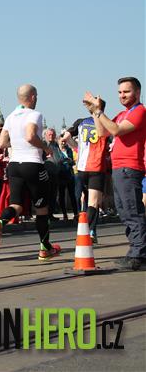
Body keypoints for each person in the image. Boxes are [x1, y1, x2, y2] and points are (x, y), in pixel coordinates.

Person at [0, 84, 61, 261]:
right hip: (32, 164)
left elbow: (1, 143)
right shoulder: (35, 114)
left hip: (14, 165)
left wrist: (17, 144)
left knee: (16, 205)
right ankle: (45, 248)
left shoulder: (11, 116)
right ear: (33, 97)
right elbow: (30, 136)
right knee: (42, 208)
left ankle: (0, 221)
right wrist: (46, 148)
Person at [84, 76, 145, 270]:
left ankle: (139, 255)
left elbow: (117, 130)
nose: (122, 95)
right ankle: (136, 251)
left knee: (132, 211)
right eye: (119, 92)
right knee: (125, 211)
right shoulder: (122, 114)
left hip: (130, 167)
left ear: (137, 92)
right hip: (119, 168)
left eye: (126, 91)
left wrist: (99, 111)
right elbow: (103, 132)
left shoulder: (140, 111)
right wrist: (94, 113)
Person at [63, 109, 110, 243]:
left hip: (81, 167)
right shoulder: (105, 123)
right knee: (94, 202)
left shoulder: (81, 122)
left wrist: (79, 148)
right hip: (96, 166)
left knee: (85, 198)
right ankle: (88, 231)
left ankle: (86, 228)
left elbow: (65, 137)